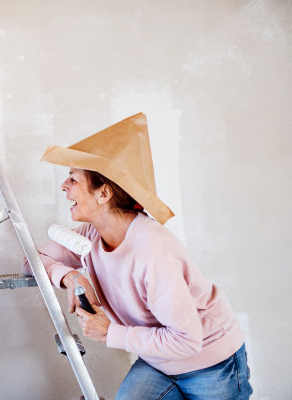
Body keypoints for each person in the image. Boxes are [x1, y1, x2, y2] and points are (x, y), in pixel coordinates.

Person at [23, 113, 252, 399]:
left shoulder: (152, 252)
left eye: (73, 179)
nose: (64, 186)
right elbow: (32, 259)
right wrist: (71, 276)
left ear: (103, 193)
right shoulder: (91, 234)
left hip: (209, 363)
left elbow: (187, 341)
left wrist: (110, 332)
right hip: (158, 359)